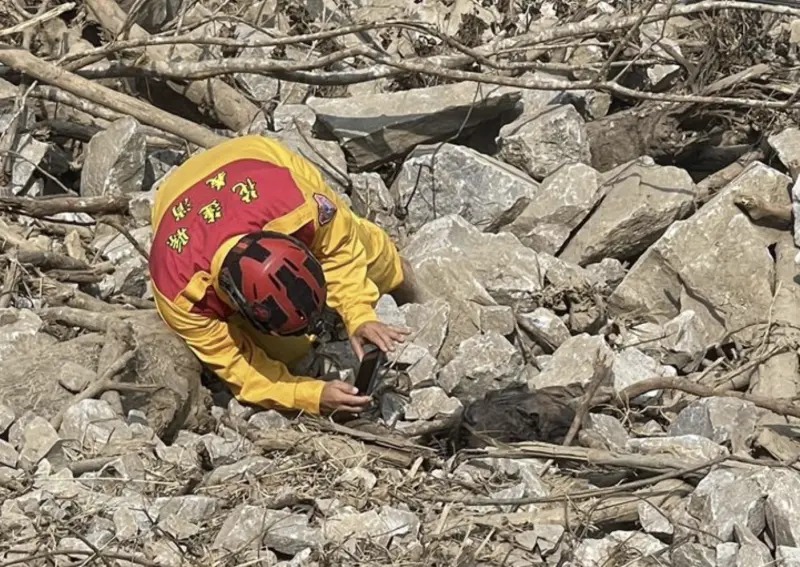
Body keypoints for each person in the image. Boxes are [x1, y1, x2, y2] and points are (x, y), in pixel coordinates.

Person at [147, 134, 416, 416]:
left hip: (253, 157)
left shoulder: (299, 206)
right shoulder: (181, 292)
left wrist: (359, 314)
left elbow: (341, 246)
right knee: (289, 355)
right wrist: (309, 396)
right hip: (173, 198)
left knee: (372, 254)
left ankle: (401, 273)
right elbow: (243, 372)